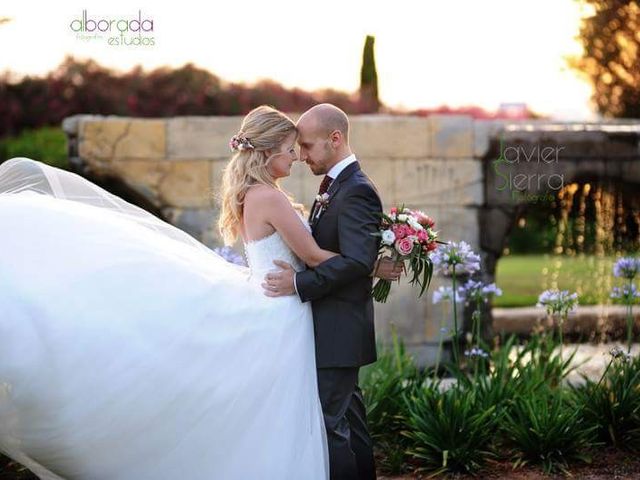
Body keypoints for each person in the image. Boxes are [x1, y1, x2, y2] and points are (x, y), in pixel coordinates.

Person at [0, 105, 400, 480]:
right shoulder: (271, 198)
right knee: (302, 418)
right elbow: (313, 256)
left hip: (281, 305)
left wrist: (364, 261)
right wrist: (371, 264)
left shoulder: (255, 194)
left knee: (307, 414)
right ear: (267, 153)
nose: (295, 157)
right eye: (289, 150)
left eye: (299, 148)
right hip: (281, 313)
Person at [263, 104, 388, 480]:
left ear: (335, 140)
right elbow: (357, 258)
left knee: (330, 426)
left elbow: (355, 262)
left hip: (339, 326)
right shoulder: (337, 186)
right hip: (334, 324)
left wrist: (298, 284)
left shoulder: (357, 190)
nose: (301, 156)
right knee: (350, 420)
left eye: (308, 146)